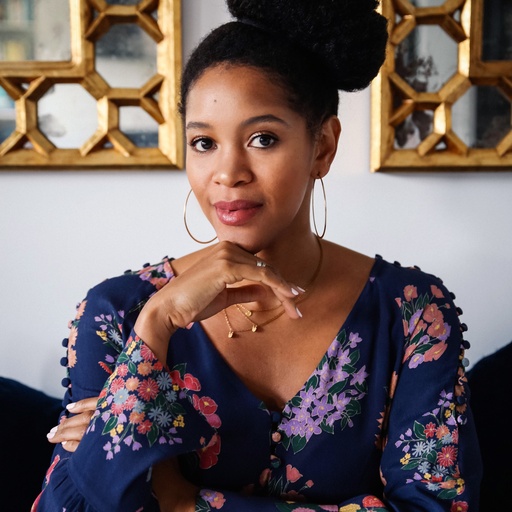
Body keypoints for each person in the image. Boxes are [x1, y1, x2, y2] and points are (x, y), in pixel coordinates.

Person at [33, 1, 482, 510]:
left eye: (262, 139)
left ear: (322, 147)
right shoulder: (119, 312)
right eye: (204, 142)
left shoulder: (413, 312)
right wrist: (158, 322)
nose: (228, 173)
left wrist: (181, 503)